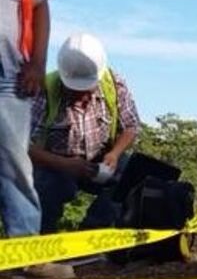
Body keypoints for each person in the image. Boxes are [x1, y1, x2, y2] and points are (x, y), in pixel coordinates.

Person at [0, 0, 63, 279]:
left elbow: (40, 5)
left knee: (15, 165)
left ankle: (23, 254)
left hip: (11, 75)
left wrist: (38, 63)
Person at [29, 33, 140, 245]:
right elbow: (21, 145)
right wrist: (65, 165)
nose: (84, 96)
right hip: (56, 165)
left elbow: (131, 126)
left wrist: (115, 154)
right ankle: (41, 245)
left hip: (103, 160)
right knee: (42, 186)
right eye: (75, 90)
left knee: (133, 174)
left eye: (87, 88)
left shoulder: (115, 85)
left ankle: (93, 236)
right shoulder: (45, 88)